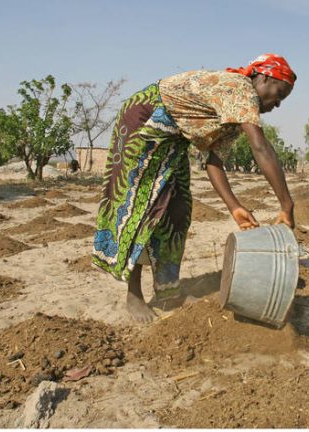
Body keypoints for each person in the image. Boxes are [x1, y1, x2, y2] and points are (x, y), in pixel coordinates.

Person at [92, 53, 296, 323]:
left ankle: (168, 291)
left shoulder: (235, 111)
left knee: (177, 209)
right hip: (144, 121)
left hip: (173, 138)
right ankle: (134, 294)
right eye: (279, 93)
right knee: (141, 208)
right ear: (264, 78)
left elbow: (214, 160)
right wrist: (287, 205)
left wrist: (234, 207)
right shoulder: (239, 88)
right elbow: (260, 147)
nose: (278, 104)